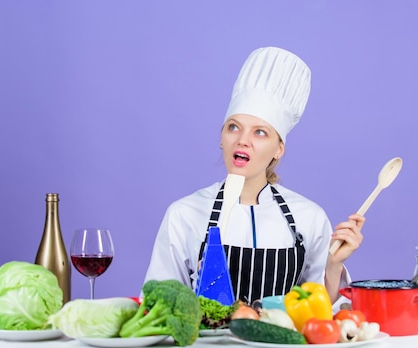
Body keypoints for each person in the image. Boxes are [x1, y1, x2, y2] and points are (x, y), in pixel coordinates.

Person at [143, 46, 365, 308]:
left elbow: (322, 313)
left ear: (278, 148)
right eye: (233, 127)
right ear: (222, 138)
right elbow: (156, 305)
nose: (242, 140)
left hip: (282, 347)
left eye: (260, 132)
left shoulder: (309, 217)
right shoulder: (184, 214)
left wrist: (333, 266)